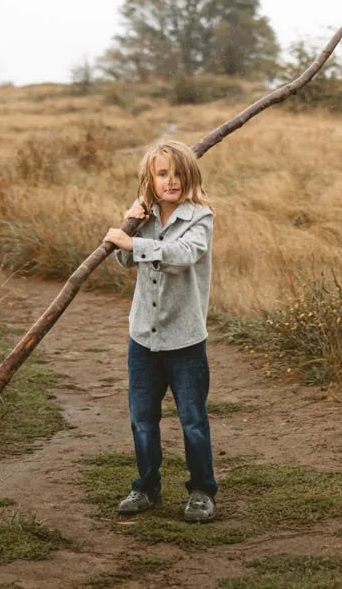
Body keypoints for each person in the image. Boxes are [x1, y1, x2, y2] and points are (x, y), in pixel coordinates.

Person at [104, 139, 217, 523]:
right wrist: (128, 224)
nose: (172, 181)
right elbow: (122, 259)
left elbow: (184, 254)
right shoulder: (145, 218)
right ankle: (146, 487)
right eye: (163, 174)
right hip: (144, 338)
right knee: (143, 417)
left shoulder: (200, 218)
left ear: (191, 177)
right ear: (150, 181)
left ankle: (202, 491)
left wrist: (134, 242)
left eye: (179, 173)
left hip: (184, 340)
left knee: (192, 419)